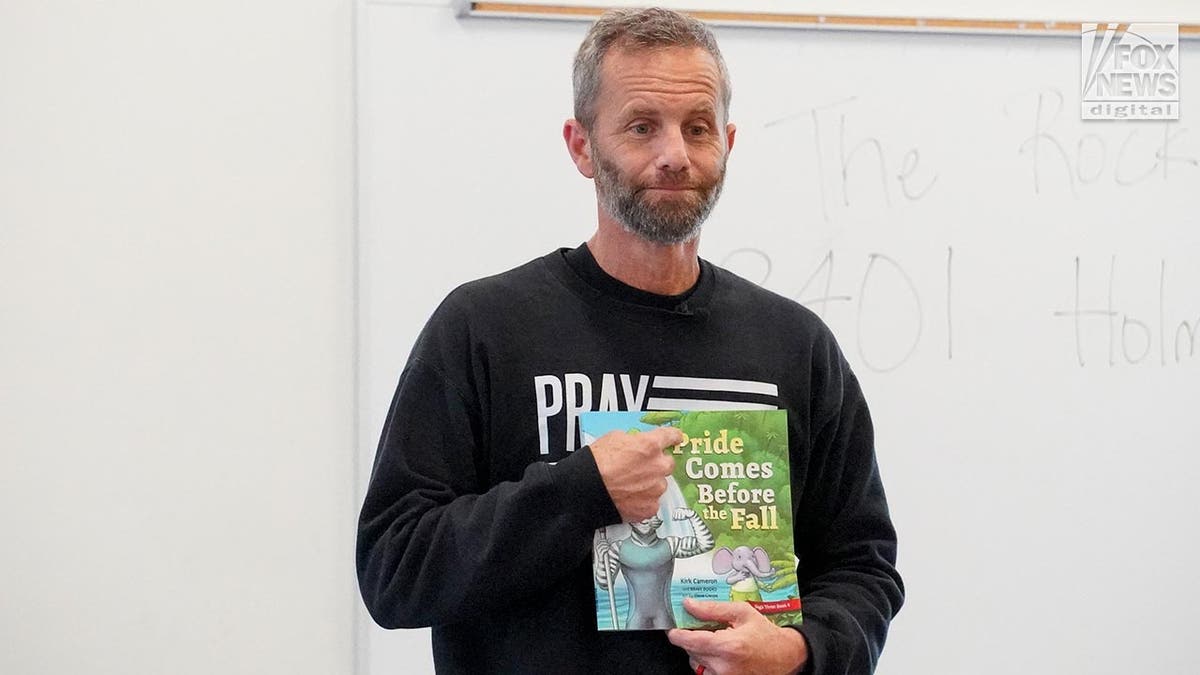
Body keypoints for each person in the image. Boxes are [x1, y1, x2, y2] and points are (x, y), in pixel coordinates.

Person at [357, 8, 903, 674]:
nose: (675, 154)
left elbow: (862, 566)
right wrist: (581, 488)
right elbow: (394, 567)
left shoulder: (795, 346)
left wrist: (800, 650)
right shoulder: (485, 329)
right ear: (582, 145)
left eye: (698, 128)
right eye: (642, 126)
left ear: (727, 142)